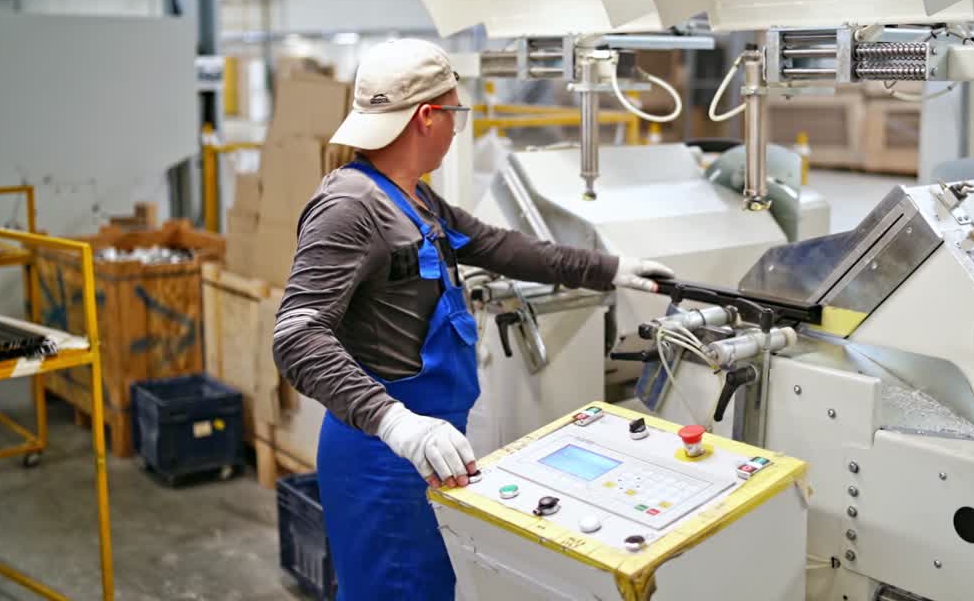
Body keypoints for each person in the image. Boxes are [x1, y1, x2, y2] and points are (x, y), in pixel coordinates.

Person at [272, 39, 673, 601]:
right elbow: (296, 335)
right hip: (383, 458)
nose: (459, 126)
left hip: (430, 448)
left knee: (430, 587)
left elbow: (499, 246)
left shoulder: (416, 200)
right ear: (427, 118)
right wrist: (396, 422)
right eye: (456, 113)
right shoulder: (351, 206)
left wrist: (611, 268)